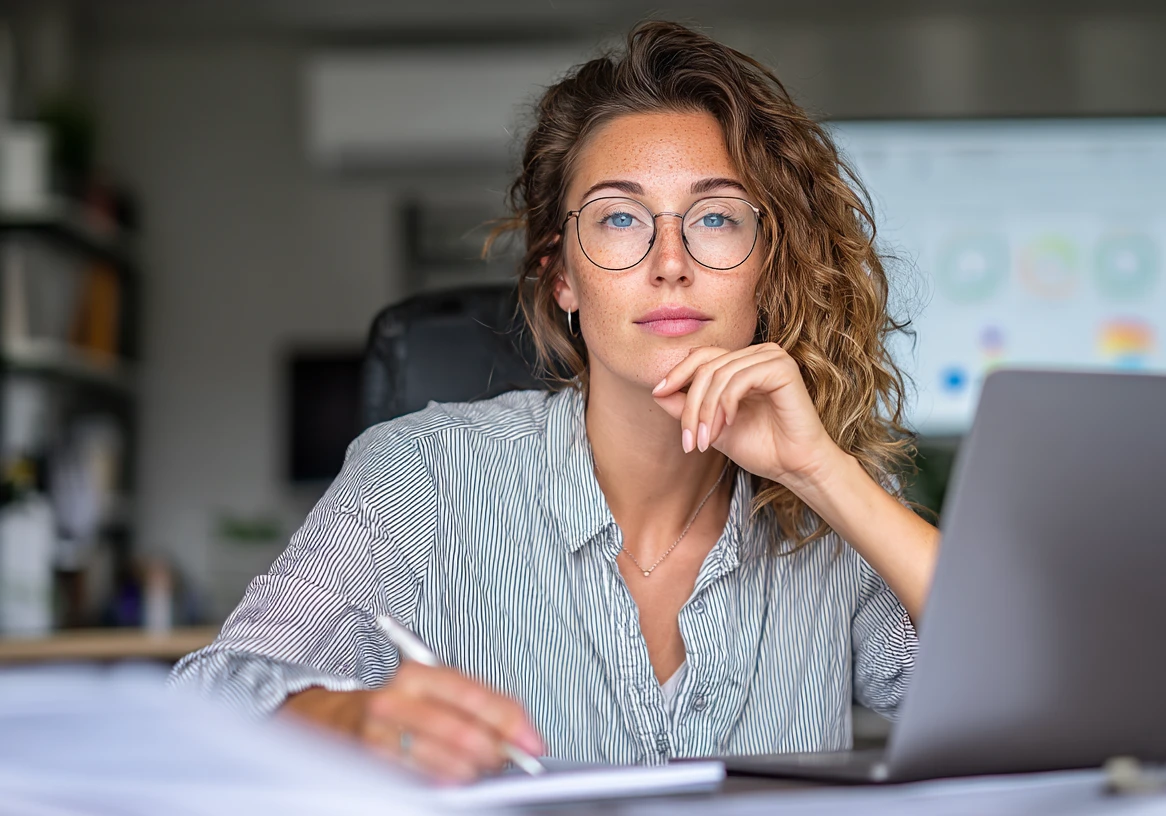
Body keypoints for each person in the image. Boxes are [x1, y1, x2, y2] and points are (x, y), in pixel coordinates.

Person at [170, 20, 939, 783]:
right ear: (562, 277)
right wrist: (350, 721)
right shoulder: (424, 476)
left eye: (714, 217)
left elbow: (1035, 683)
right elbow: (207, 701)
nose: (670, 262)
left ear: (766, 270)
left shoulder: (834, 505)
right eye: (618, 218)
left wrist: (823, 474)